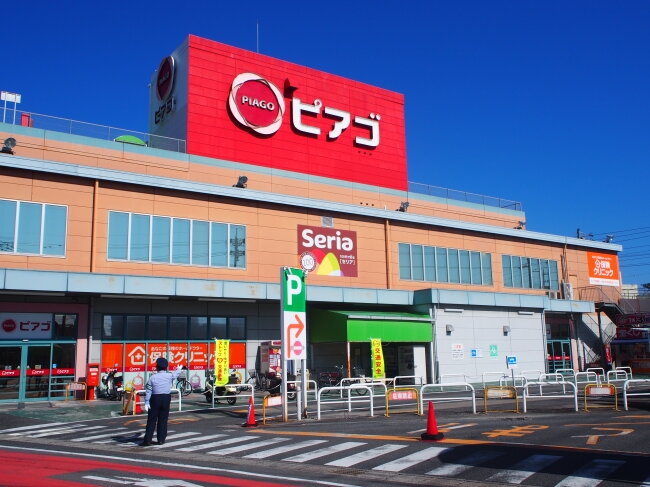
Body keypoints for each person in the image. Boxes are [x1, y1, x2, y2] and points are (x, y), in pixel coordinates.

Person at [141, 357, 182, 446]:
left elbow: (148, 390)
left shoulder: (152, 377)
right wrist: (178, 369)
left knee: (151, 420)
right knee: (163, 419)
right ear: (166, 367)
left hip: (155, 398)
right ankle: (161, 440)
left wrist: (147, 402)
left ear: (157, 367)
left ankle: (147, 440)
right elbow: (175, 374)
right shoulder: (169, 376)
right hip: (166, 398)